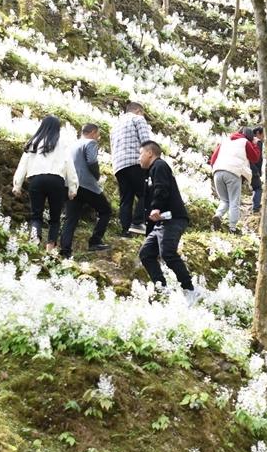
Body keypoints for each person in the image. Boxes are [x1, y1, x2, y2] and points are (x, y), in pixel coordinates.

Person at [136, 140, 197, 301]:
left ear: (150, 153)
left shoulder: (160, 166)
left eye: (140, 154)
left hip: (173, 219)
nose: (139, 158)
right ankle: (161, 287)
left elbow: (161, 188)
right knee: (146, 253)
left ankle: (189, 289)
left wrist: (156, 207)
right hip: (160, 222)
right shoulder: (150, 172)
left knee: (168, 253)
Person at [12, 115, 77, 250]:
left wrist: (17, 185)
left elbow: (23, 164)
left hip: (36, 180)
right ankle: (50, 246)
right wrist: (73, 188)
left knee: (36, 215)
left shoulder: (33, 142)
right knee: (55, 217)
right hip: (56, 181)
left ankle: (35, 239)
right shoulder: (62, 143)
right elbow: (69, 165)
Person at [60, 123, 112, 256]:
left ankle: (65, 250)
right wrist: (97, 176)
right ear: (93, 132)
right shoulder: (90, 143)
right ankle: (95, 241)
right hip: (86, 184)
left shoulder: (72, 145)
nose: (98, 137)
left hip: (71, 185)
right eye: (98, 134)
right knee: (105, 210)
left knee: (70, 218)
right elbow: (92, 162)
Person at [110, 100, 153, 236]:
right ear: (138, 111)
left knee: (126, 198)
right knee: (145, 192)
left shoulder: (115, 126)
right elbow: (146, 143)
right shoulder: (138, 119)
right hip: (135, 161)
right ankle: (138, 222)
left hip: (119, 165)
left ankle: (125, 230)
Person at [207, 126, 259, 232]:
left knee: (224, 200)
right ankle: (233, 228)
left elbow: (213, 159)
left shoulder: (225, 141)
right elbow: (255, 158)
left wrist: (217, 169)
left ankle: (218, 215)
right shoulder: (245, 142)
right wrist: (255, 144)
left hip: (217, 171)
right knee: (234, 201)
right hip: (233, 173)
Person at [247, 125, 264, 215]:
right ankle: (256, 208)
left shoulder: (246, 140)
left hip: (242, 166)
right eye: (263, 135)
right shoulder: (257, 142)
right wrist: (259, 171)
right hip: (253, 167)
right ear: (258, 133)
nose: (264, 137)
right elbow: (258, 158)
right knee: (258, 188)